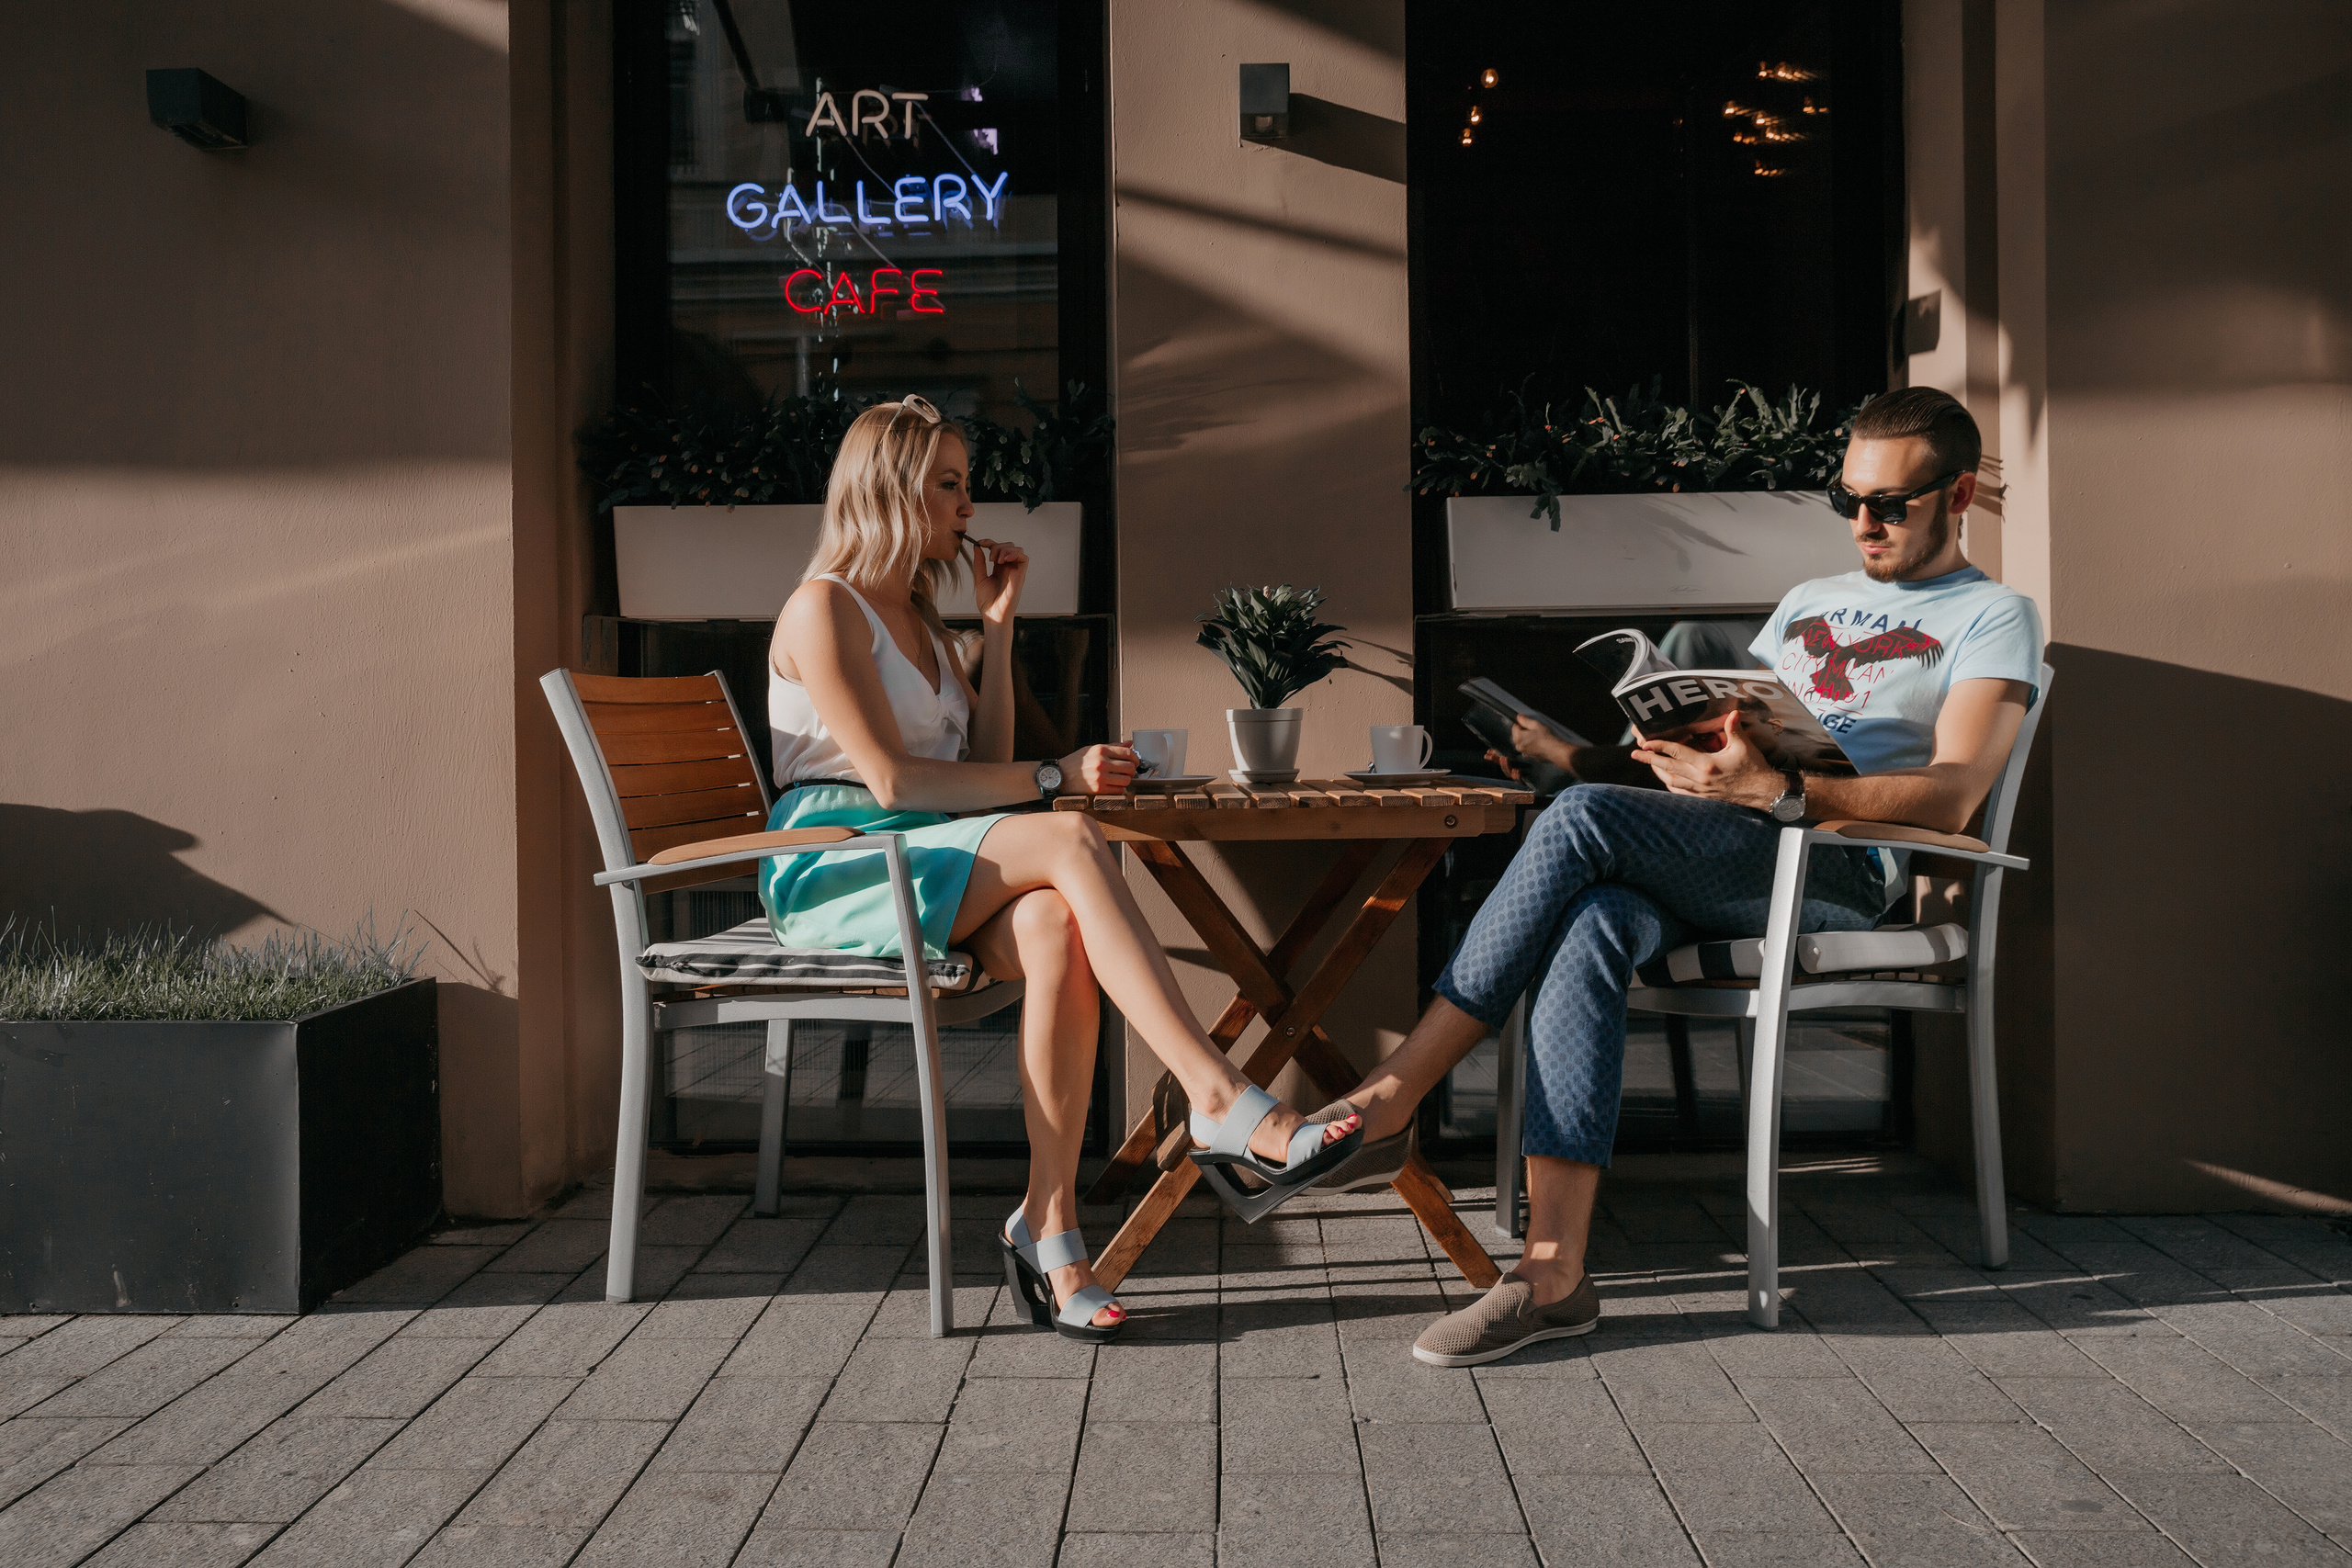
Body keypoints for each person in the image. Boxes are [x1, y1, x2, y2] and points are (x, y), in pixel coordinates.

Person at [1330, 387, 2041, 1366]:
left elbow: (1955, 795)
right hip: (1719, 842)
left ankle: (1393, 1096)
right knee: (1592, 918)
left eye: (1890, 504)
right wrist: (1681, 749)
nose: (1864, 523)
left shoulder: (1993, 615)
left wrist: (1778, 789)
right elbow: (1743, 741)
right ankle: (1553, 1273)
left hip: (1831, 867)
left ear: (1957, 495)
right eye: (1847, 500)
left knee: (1579, 819)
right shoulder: (1808, 602)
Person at [763, 395, 1362, 1342]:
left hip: (926, 850)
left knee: (1056, 926)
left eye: (965, 484)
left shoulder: (921, 620)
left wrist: (996, 631)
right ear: (890, 489)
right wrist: (1057, 776)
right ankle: (1216, 1098)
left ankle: (1050, 1226)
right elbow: (892, 779)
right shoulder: (823, 606)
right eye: (949, 484)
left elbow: (980, 763)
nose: (969, 505)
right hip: (838, 862)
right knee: (1074, 835)